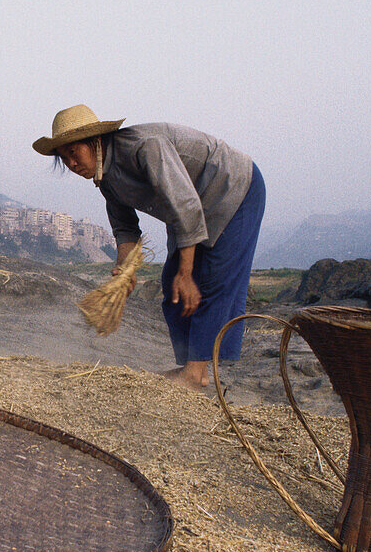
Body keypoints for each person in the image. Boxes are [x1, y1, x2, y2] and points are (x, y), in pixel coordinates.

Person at [33, 104, 265, 390]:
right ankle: (193, 367)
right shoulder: (106, 179)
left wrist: (187, 271)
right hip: (194, 206)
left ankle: (195, 372)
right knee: (172, 284)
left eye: (74, 152)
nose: (71, 163)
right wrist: (124, 271)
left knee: (212, 280)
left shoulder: (145, 148)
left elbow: (186, 206)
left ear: (94, 142)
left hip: (234, 187)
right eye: (64, 157)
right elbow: (126, 228)